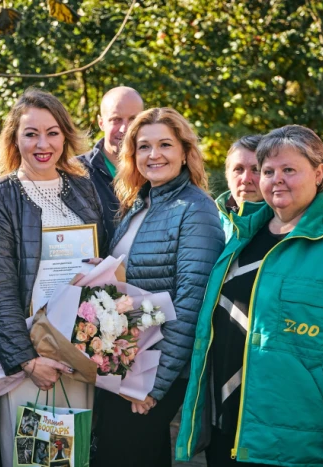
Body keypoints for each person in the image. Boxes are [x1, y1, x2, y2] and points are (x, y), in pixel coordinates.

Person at [176, 125, 323, 467]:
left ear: (318, 172)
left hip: (301, 438)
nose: (277, 180)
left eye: (289, 170)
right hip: (231, 426)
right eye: (268, 171)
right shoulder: (242, 238)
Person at [0, 89, 107, 467]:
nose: (42, 144)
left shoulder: (83, 189)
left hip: (80, 351)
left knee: (73, 457)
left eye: (52, 132)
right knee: (34, 460)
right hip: (32, 358)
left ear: (65, 136)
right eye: (31, 133)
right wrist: (28, 360)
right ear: (14, 138)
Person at [92, 107, 225, 466]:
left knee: (130, 453)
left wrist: (156, 385)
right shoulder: (139, 204)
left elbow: (192, 303)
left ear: (185, 152)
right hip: (125, 362)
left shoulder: (196, 210)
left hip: (157, 370)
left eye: (165, 144)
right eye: (143, 146)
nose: (154, 155)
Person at [78, 86, 144, 237]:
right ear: (101, 123)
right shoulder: (77, 172)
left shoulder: (156, 169)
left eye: (133, 119)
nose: (125, 129)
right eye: (116, 119)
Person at [216, 135, 265, 241]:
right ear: (227, 175)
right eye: (238, 169)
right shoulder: (209, 219)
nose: (246, 179)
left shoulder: (283, 224)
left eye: (256, 169)